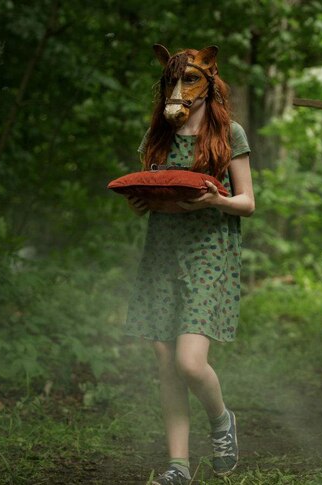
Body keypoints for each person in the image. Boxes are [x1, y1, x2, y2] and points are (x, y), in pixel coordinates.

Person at [122, 45, 255, 485]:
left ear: (208, 82)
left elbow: (247, 203)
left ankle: (221, 421)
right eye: (171, 81)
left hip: (208, 253)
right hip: (161, 252)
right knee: (165, 361)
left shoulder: (229, 133)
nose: (178, 90)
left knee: (190, 362)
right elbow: (149, 189)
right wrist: (143, 203)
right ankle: (178, 466)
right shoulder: (156, 136)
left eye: (189, 80)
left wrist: (215, 199)